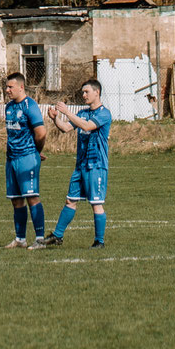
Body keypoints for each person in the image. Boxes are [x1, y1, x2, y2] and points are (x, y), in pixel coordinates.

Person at [45, 80, 112, 248]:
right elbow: (66, 128)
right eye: (82, 92)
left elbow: (88, 127)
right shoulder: (82, 113)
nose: (83, 95)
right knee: (70, 200)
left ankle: (99, 241)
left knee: (96, 204)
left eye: (86, 92)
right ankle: (57, 236)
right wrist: (56, 119)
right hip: (81, 165)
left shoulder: (104, 114)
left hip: (96, 165)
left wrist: (67, 112)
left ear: (97, 92)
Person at [1, 73, 47, 247]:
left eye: (10, 87)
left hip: (27, 158)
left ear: (21, 87)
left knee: (32, 197)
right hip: (11, 158)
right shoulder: (9, 107)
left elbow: (41, 133)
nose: (7, 90)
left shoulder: (30, 105)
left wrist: (35, 152)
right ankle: (20, 239)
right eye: (6, 87)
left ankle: (40, 239)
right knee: (16, 199)